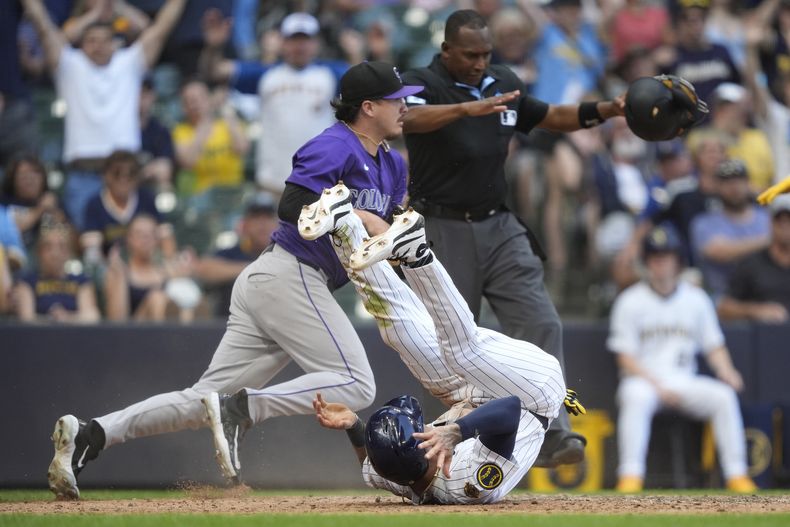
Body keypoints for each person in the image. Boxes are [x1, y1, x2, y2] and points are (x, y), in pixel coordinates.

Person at [45, 61, 422, 499]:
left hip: (281, 283)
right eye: (397, 99)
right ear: (369, 106)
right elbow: (291, 204)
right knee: (357, 383)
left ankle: (90, 435)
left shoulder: (393, 165)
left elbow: (389, 231)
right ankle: (242, 409)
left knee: (200, 401)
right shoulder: (335, 145)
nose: (405, 106)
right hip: (292, 272)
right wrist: (362, 215)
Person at [207, 185, 579, 503]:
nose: (423, 425)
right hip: (535, 395)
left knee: (399, 329)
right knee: (463, 350)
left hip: (471, 395)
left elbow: (371, 464)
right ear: (423, 456)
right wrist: (456, 432)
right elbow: (510, 408)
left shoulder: (398, 473)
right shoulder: (468, 483)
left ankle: (343, 225)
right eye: (418, 428)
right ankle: (417, 253)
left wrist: (355, 424)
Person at [398, 8, 625, 467]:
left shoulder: (503, 79)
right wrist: (466, 108)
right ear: (447, 51)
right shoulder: (422, 81)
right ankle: (447, 450)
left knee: (542, 321)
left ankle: (551, 430)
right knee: (451, 347)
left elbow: (550, 116)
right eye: (469, 55)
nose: (480, 63)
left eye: (485, 53)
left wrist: (608, 110)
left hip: (498, 223)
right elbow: (406, 119)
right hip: (439, 226)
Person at [608, 225, 756, 493]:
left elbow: (714, 346)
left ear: (678, 261)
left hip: (684, 379)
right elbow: (624, 358)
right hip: (644, 381)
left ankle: (737, 475)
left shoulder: (696, 299)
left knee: (723, 396)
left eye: (666, 256)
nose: (661, 263)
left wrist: (727, 370)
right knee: (635, 396)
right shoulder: (629, 301)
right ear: (646, 262)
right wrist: (658, 387)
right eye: (655, 257)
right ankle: (630, 476)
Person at [21, 0, 186, 230]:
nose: (97, 46)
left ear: (114, 44)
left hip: (125, 176)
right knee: (86, 249)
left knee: (136, 244)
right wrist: (94, 14)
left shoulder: (128, 63)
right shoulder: (70, 65)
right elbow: (43, 25)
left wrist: (116, 6)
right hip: (83, 175)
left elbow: (162, 27)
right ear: (82, 44)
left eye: (104, 40)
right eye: (91, 41)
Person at [200, 11, 347, 196]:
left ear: (316, 43)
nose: (300, 46)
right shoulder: (265, 74)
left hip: (322, 184)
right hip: (273, 183)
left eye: (305, 39)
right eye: (294, 39)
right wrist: (214, 47)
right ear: (283, 43)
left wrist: (357, 52)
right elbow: (215, 72)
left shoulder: (332, 74)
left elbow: (369, 86)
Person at [79, 151, 174, 271]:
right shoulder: (95, 205)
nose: (123, 179)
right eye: (117, 173)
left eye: (131, 173)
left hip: (148, 266)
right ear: (105, 175)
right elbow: (92, 252)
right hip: (110, 268)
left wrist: (168, 265)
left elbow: (165, 238)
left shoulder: (147, 199)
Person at [690, 159, 770, 299]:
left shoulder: (767, 218)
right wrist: (772, 240)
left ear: (749, 184)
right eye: (727, 182)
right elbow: (719, 252)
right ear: (717, 187)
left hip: (765, 295)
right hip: (723, 296)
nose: (735, 187)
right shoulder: (704, 222)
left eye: (739, 181)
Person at [192, 193, 279, 317]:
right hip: (229, 328)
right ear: (244, 225)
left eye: (268, 217)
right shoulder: (233, 253)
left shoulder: (284, 254)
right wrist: (253, 269)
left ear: (277, 224)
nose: (262, 224)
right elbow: (203, 268)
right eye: (256, 217)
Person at [717, 194, 790, 323]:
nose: (785, 226)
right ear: (771, 223)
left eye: (789, 220)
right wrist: (756, 311)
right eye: (780, 220)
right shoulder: (752, 263)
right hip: (765, 337)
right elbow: (724, 308)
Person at [172, 79, 249, 197]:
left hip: (233, 191)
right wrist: (204, 124)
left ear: (209, 98)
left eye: (200, 98)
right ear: (184, 107)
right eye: (190, 101)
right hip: (200, 196)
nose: (195, 104)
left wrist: (227, 112)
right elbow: (188, 161)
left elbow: (242, 148)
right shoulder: (180, 131)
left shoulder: (226, 123)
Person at [13, 224, 100, 323]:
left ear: (68, 253)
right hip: (38, 336)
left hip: (74, 336)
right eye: (48, 247)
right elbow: (26, 318)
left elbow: (92, 316)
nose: (55, 253)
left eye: (61, 246)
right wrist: (52, 319)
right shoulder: (27, 282)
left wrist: (67, 317)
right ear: (39, 252)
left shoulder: (81, 281)